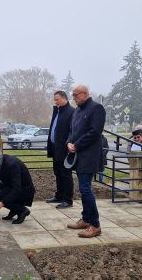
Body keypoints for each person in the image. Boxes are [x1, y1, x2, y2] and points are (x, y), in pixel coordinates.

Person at [65, 85, 106, 238]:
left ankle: (95, 225)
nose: (74, 98)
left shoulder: (97, 108)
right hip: (78, 155)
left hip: (89, 156)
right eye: (73, 95)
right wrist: (69, 142)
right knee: (83, 189)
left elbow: (95, 132)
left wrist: (77, 144)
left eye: (76, 95)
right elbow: (72, 131)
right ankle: (86, 219)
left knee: (86, 189)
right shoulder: (77, 110)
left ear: (85, 94)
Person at [0, 149, 36, 224]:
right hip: (12, 187)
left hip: (25, 191)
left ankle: (22, 210)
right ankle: (14, 209)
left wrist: (2, 203)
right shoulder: (1, 162)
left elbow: (17, 188)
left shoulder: (12, 165)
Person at [46, 91, 75, 209]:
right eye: (55, 99)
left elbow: (72, 131)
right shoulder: (57, 110)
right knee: (57, 173)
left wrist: (68, 144)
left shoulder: (71, 112)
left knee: (66, 174)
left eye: (57, 99)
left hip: (64, 149)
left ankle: (68, 200)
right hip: (55, 148)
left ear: (64, 98)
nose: (55, 101)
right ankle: (59, 196)